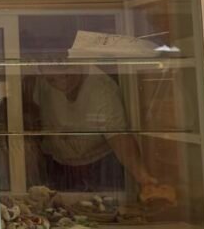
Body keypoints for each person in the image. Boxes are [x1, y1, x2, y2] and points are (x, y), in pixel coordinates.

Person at [32, 62, 176, 205]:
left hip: (100, 168)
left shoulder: (102, 88)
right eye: (52, 80)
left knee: (103, 210)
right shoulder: (41, 81)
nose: (61, 84)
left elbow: (118, 137)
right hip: (58, 167)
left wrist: (143, 178)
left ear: (78, 64)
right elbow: (33, 108)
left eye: (67, 76)